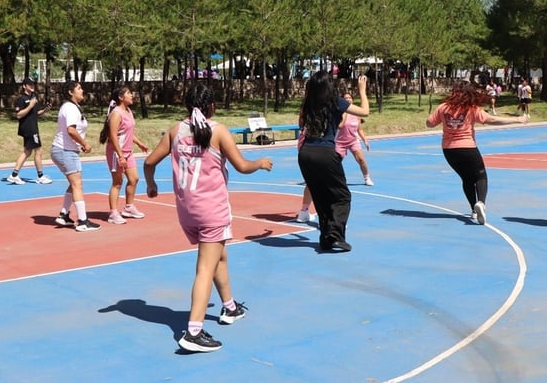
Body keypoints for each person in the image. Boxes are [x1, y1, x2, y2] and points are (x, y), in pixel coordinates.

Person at [143, 84, 273, 353]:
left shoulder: (175, 131)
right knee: (204, 268)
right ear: (211, 106)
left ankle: (230, 307)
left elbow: (148, 162)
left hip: (186, 210)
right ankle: (194, 331)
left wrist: (151, 185)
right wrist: (259, 163)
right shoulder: (218, 131)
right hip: (212, 210)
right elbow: (242, 166)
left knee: (218, 256)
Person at [426, 80, 527, 225]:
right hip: (468, 147)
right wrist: (518, 120)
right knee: (481, 176)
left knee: (466, 179)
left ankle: (474, 210)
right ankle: (481, 203)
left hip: (449, 150)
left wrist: (440, 115)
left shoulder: (443, 107)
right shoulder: (471, 108)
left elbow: (429, 123)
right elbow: (491, 119)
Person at [297, 71, 369, 252]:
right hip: (325, 152)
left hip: (305, 153)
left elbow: (302, 124)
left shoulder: (308, 104)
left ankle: (326, 237)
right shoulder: (335, 101)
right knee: (342, 196)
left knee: (320, 197)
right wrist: (362, 91)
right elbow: (365, 112)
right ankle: (335, 236)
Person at [50, 80, 98, 232]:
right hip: (65, 151)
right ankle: (83, 221)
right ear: (71, 92)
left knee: (74, 183)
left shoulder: (73, 107)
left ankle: (64, 214)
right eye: (79, 88)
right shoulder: (70, 108)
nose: (82, 90)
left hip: (66, 150)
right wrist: (84, 143)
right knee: (77, 184)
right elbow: (71, 130)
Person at [98, 86, 150, 225]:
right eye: (128, 93)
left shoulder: (128, 111)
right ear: (121, 97)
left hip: (128, 152)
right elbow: (113, 136)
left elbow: (129, 133)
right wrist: (120, 155)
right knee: (117, 182)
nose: (132, 95)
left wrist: (140, 144)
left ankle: (128, 208)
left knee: (134, 179)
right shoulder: (116, 113)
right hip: (117, 152)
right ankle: (113, 214)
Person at [6, 77, 52, 185]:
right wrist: (30, 106)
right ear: (24, 86)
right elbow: (18, 115)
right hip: (28, 128)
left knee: (27, 151)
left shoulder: (33, 98)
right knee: (38, 150)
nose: (32, 86)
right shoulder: (22, 99)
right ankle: (40, 176)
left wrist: (44, 110)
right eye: (30, 84)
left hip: (33, 126)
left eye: (33, 84)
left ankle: (14, 175)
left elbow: (35, 113)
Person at [335, 90, 374, 186]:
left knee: (361, 160)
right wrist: (345, 112)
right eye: (345, 98)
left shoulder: (357, 114)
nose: (348, 99)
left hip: (352, 141)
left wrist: (365, 140)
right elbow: (340, 125)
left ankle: (367, 178)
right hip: (339, 142)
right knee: (334, 163)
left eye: (349, 98)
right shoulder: (339, 112)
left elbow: (359, 129)